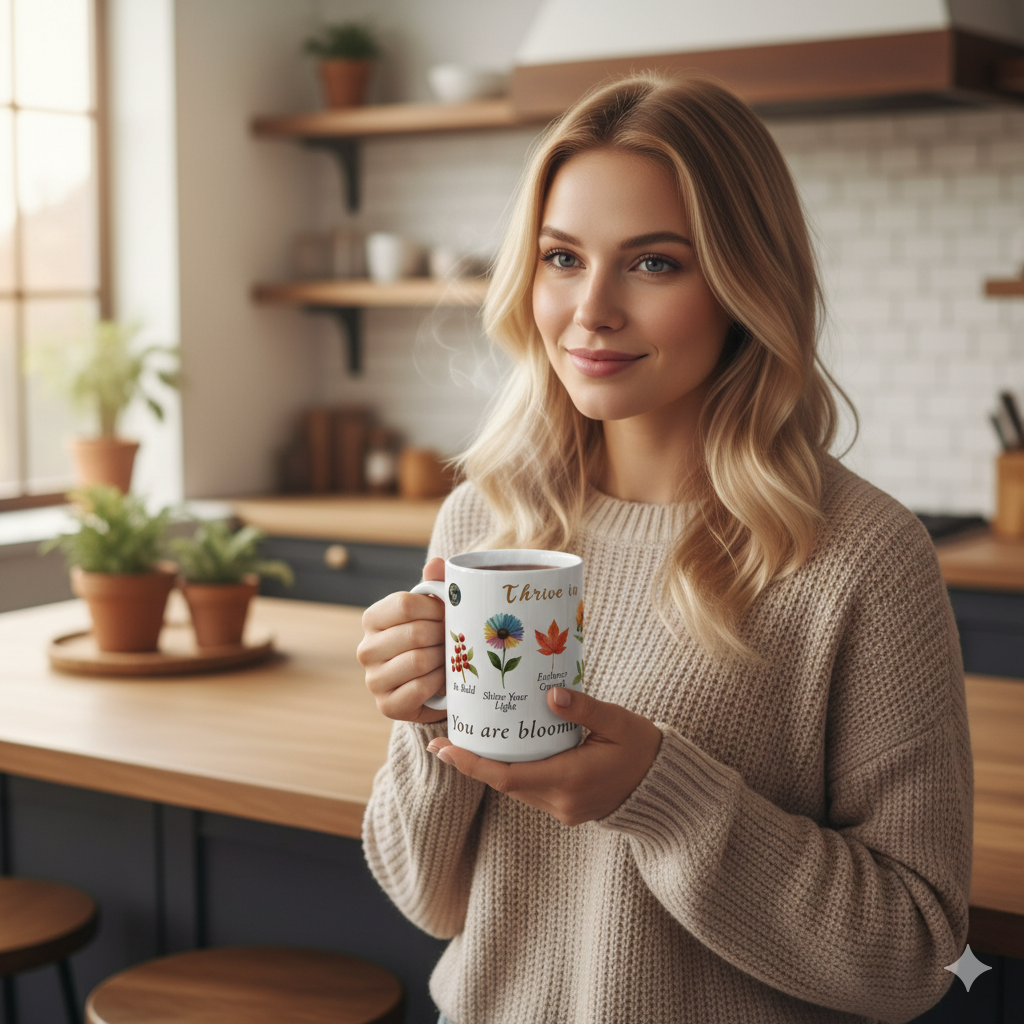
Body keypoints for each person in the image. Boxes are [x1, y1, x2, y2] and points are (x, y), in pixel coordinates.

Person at [357, 73, 971, 1024]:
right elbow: (428, 901)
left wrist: (662, 795)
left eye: (653, 264)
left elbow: (916, 956)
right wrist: (424, 718)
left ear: (743, 282)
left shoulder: (861, 557)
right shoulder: (485, 524)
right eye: (562, 258)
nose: (591, 309)